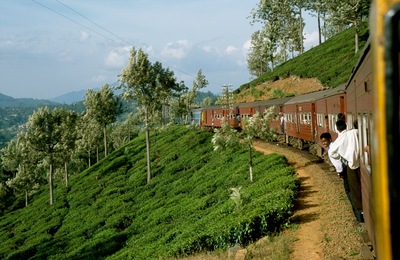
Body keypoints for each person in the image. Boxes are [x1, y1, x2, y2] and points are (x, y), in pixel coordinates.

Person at [328, 120, 364, 223]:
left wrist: (340, 159)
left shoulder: (345, 136)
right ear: (346, 125)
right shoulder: (356, 132)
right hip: (361, 162)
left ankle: (361, 212)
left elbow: (331, 152)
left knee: (354, 189)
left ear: (337, 128)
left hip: (351, 165)